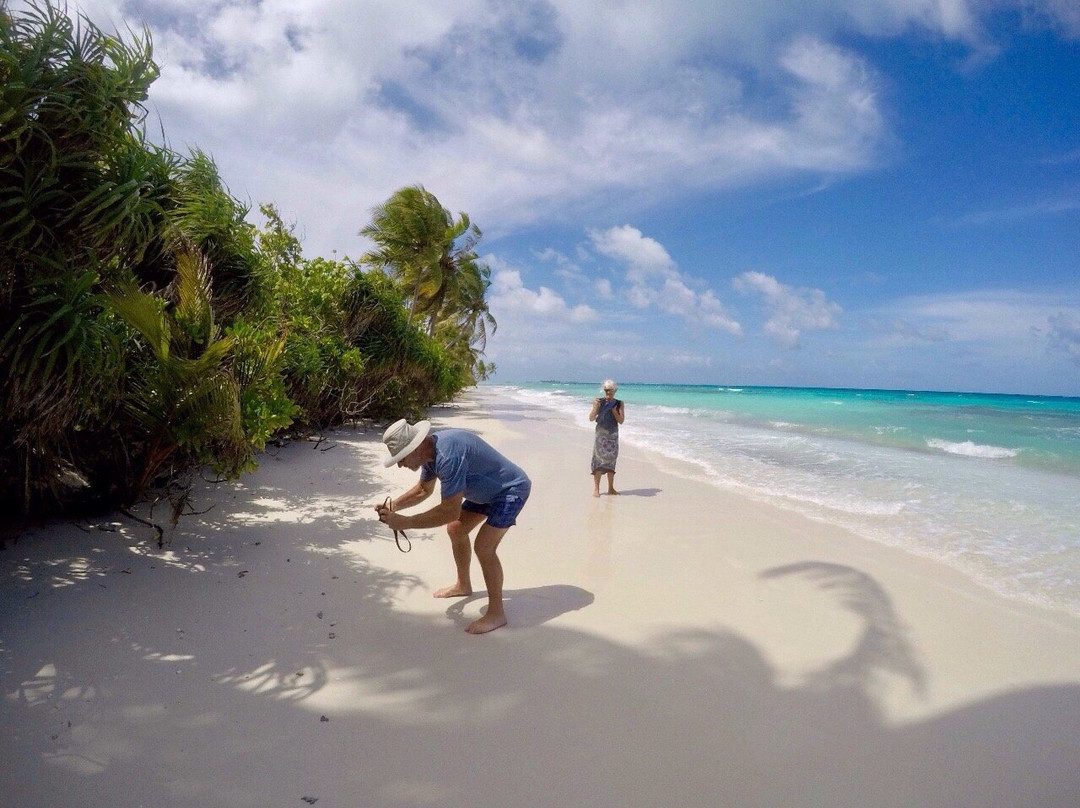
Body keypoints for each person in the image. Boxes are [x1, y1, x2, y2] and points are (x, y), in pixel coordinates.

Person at [375, 419, 531, 634]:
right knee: (456, 529)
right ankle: (463, 585)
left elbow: (450, 511)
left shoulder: (449, 455)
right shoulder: (430, 455)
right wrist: (393, 505)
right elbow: (423, 490)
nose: (400, 464)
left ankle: (497, 613)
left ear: (417, 446)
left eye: (401, 458)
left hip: (510, 490)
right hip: (484, 493)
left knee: (484, 547)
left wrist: (406, 522)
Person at [589, 379, 624, 497]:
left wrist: (614, 412)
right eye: (606, 390)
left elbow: (621, 421)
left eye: (611, 390)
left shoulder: (619, 403)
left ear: (615, 390)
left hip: (613, 435)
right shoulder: (599, 402)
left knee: (611, 461)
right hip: (600, 434)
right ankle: (596, 489)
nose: (608, 392)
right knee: (598, 461)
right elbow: (591, 418)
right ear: (604, 390)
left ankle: (611, 488)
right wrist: (595, 407)